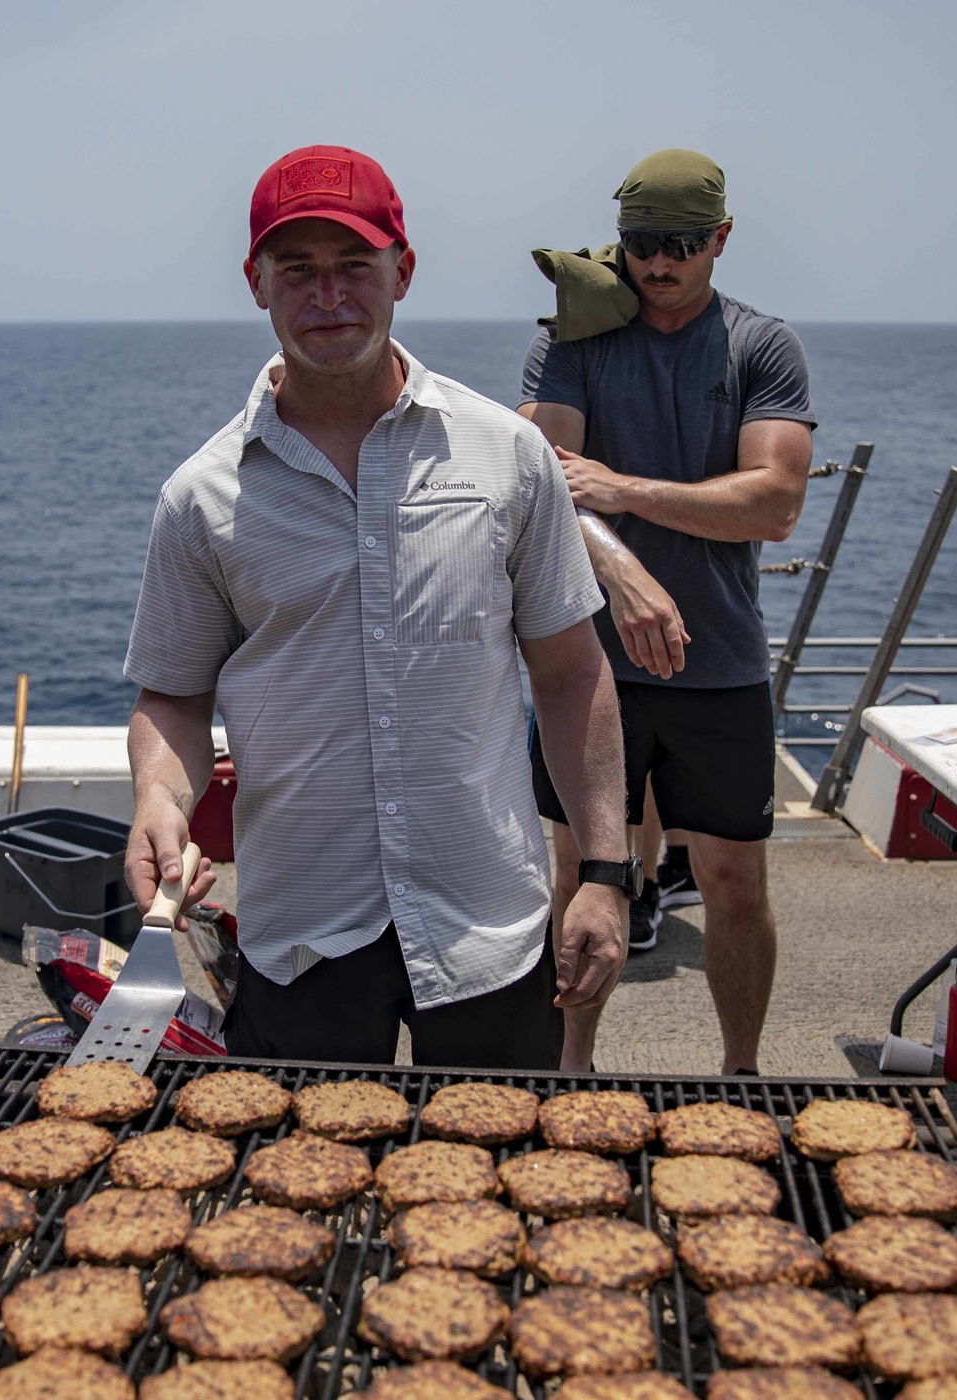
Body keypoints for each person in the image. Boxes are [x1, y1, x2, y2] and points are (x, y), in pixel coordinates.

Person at [122, 143, 633, 1069]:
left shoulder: (507, 459)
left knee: (498, 1194)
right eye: (298, 270)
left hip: (487, 919)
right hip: (301, 927)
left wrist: (604, 870)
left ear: (402, 270)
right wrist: (159, 797)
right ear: (256, 282)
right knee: (290, 1206)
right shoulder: (201, 497)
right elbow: (173, 697)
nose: (329, 296)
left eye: (355, 265)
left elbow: (571, 674)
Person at [519, 148, 816, 1075]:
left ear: (722, 239)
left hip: (718, 661)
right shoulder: (572, 338)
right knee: (578, 877)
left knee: (733, 881)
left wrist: (626, 492)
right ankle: (571, 1068)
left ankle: (739, 1072)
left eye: (683, 244)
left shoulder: (760, 346)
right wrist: (618, 559)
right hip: (587, 666)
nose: (659, 262)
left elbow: (775, 503)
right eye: (642, 242)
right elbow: (543, 484)